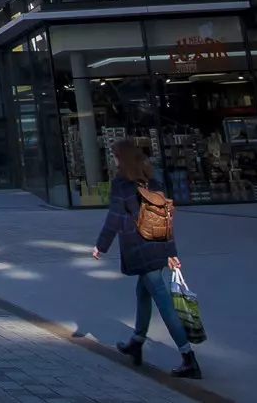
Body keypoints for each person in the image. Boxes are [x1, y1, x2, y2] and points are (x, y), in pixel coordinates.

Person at [92, 139, 200, 380]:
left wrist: (101, 246)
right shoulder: (153, 180)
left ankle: (187, 357)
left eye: (115, 156)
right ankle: (137, 342)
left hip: (140, 249)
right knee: (143, 292)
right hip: (158, 247)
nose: (113, 160)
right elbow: (165, 219)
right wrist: (170, 252)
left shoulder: (122, 184)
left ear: (122, 158)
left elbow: (115, 218)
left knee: (162, 300)